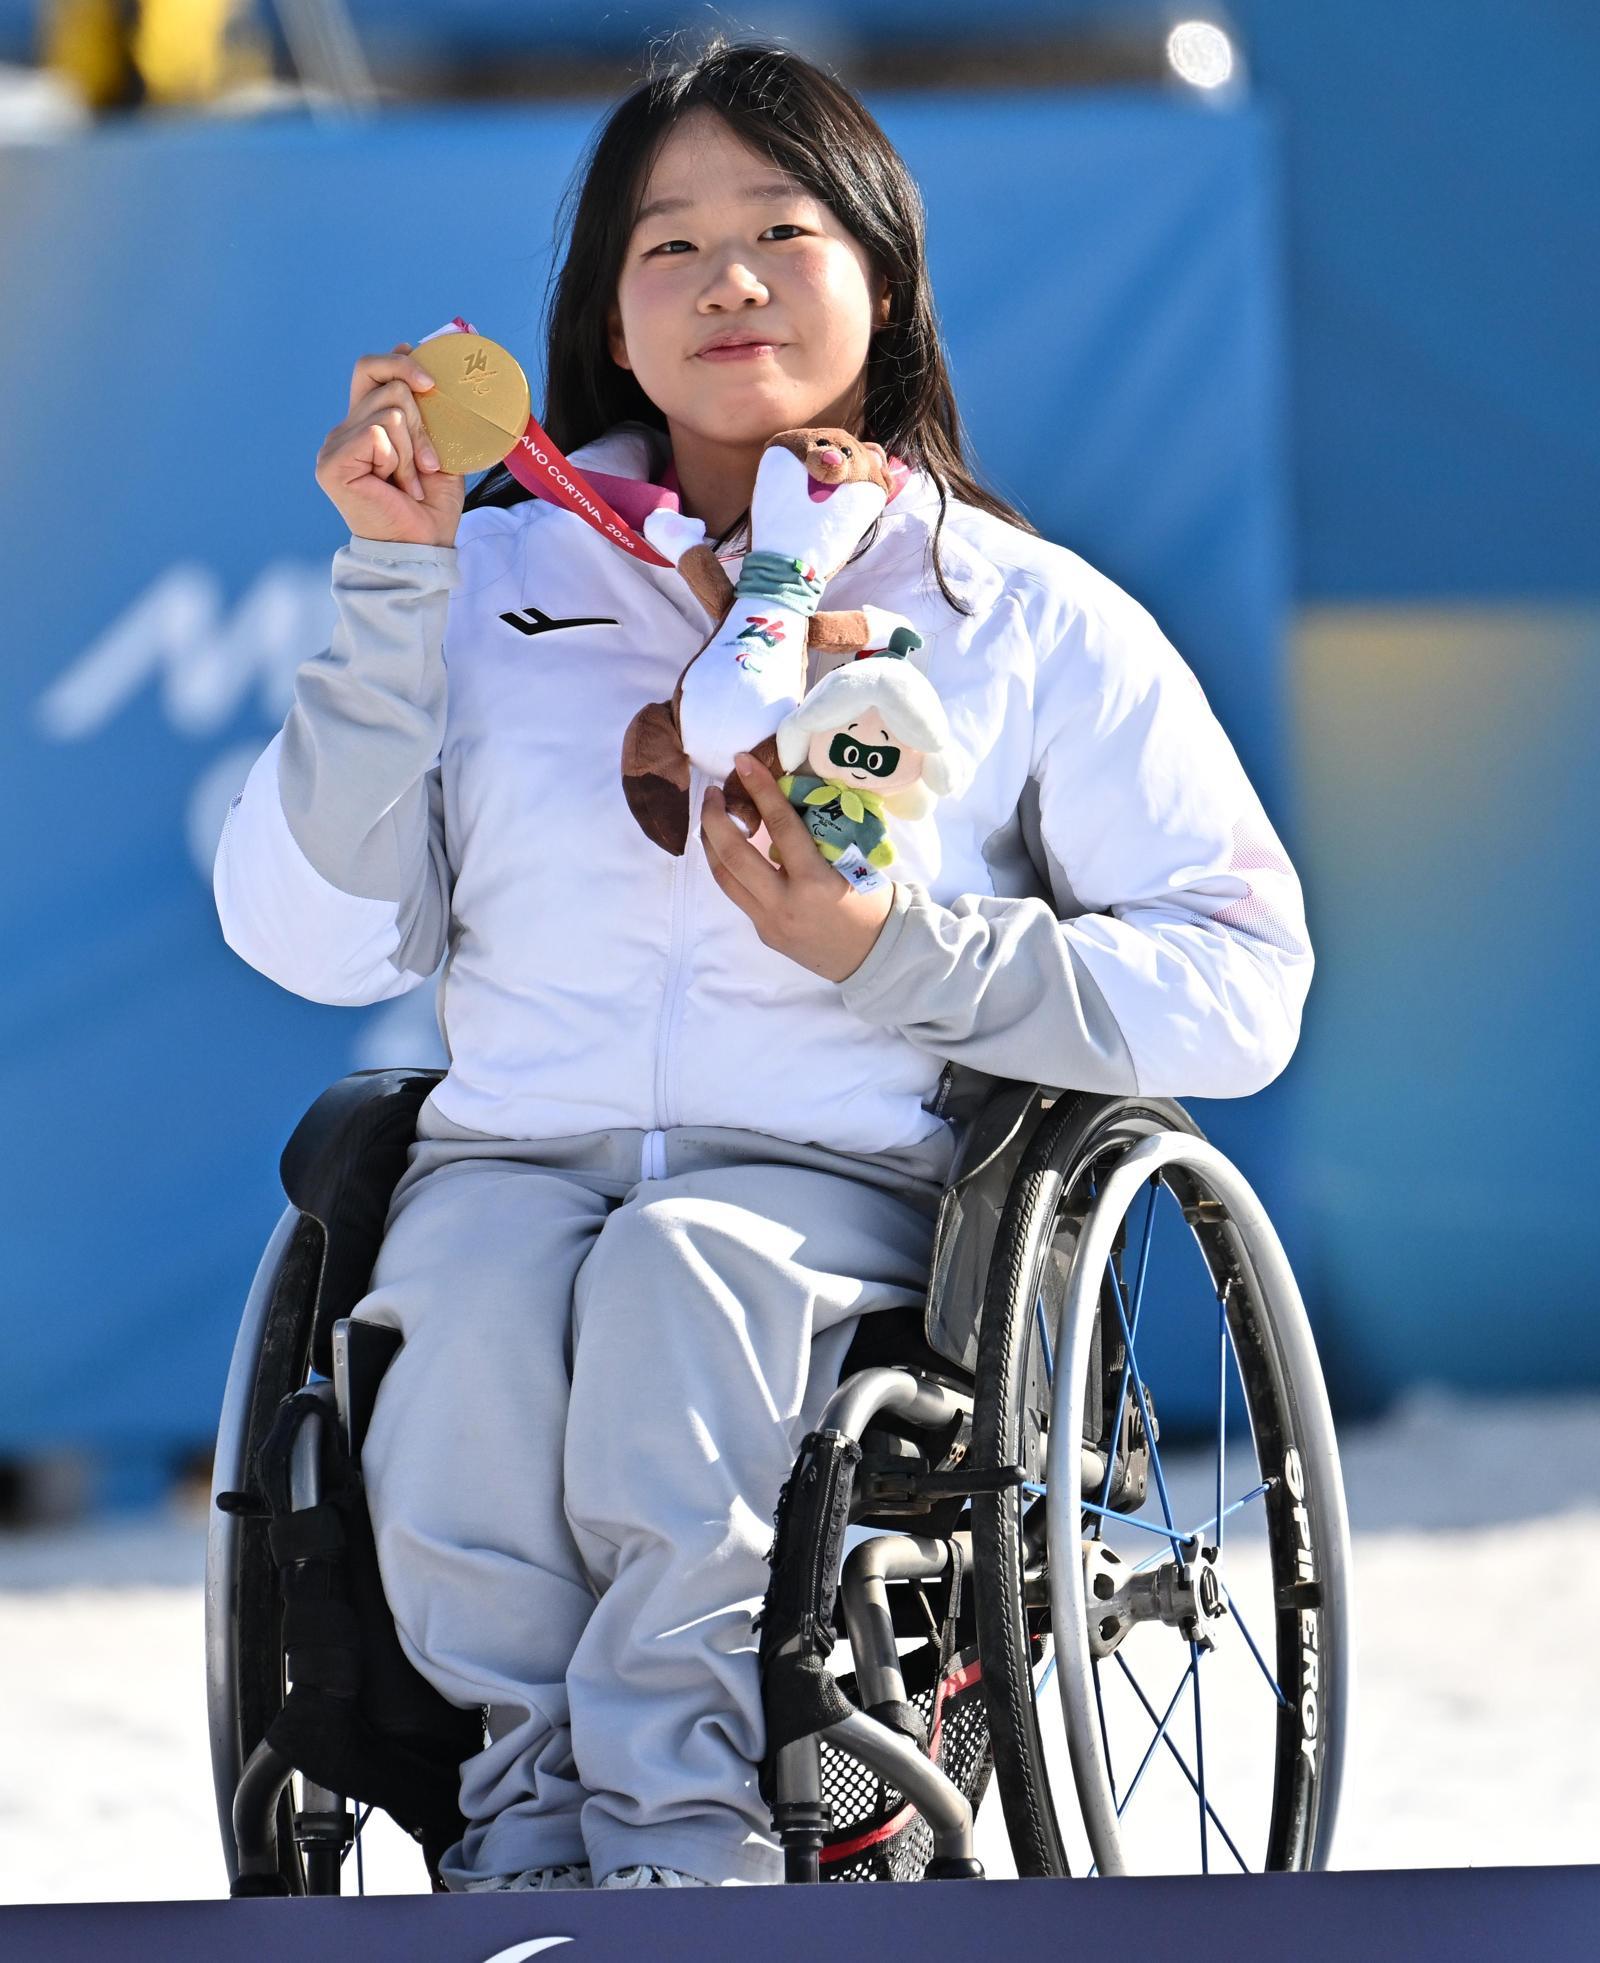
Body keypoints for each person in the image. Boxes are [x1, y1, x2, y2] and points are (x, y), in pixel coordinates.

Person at [212, 37, 1313, 1893]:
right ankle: (525, 1820)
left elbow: (1243, 977)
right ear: (604, 334)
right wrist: (392, 587)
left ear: (882, 284)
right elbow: (309, 934)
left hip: (836, 1196)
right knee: (462, 1311)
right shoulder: (479, 586)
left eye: (782, 230)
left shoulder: (1015, 612)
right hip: (515, 1156)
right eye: (668, 249)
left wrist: (895, 953)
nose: (728, 277)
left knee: (679, 1272)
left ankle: (683, 1828)